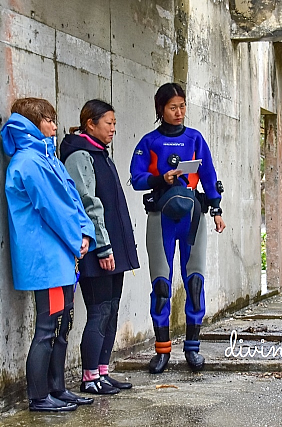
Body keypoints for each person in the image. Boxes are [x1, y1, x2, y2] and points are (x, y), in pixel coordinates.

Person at [1, 97, 97, 412]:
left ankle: (57, 388)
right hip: (47, 259)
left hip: (59, 257)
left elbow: (71, 198)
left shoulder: (46, 157)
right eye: (49, 120)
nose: (55, 126)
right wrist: (76, 239)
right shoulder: (29, 162)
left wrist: (86, 233)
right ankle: (40, 397)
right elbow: (52, 209)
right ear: (33, 123)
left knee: (62, 323)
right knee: (49, 326)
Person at [129, 82, 226, 374]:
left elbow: (208, 175)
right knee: (161, 285)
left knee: (194, 283)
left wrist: (217, 209)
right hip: (161, 218)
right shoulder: (149, 141)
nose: (179, 112)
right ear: (161, 109)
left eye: (182, 106)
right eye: (173, 107)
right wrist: (162, 178)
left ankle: (193, 349)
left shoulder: (196, 139)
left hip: (193, 218)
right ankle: (162, 351)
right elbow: (136, 178)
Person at [60, 99, 140, 395]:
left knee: (112, 309)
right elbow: (88, 203)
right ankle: (89, 376)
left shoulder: (100, 153)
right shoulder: (80, 155)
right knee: (99, 311)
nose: (113, 130)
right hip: (97, 249)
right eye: (109, 124)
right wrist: (103, 247)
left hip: (113, 247)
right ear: (90, 123)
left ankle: (103, 372)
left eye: (115, 124)